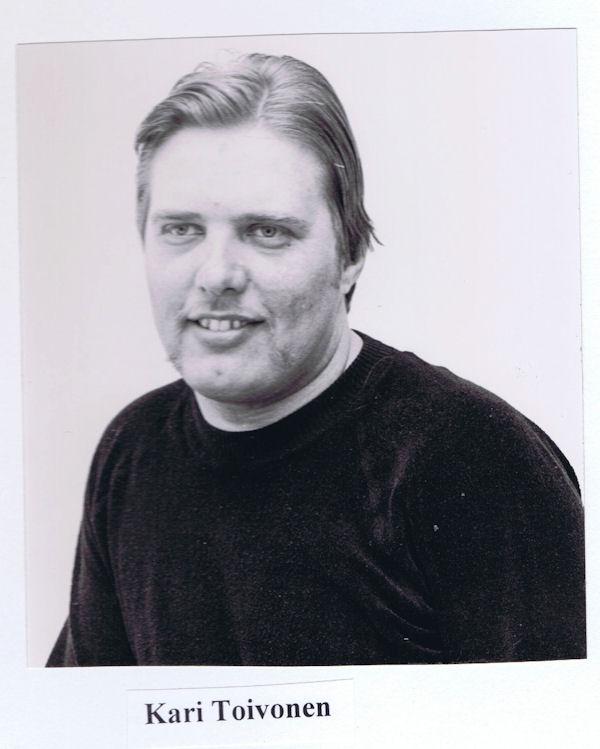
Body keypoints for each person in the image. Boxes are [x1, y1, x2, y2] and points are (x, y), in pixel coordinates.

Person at [48, 52, 585, 667]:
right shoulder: (133, 449)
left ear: (350, 253)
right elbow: (89, 713)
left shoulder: (471, 459)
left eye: (267, 231)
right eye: (181, 230)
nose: (216, 274)